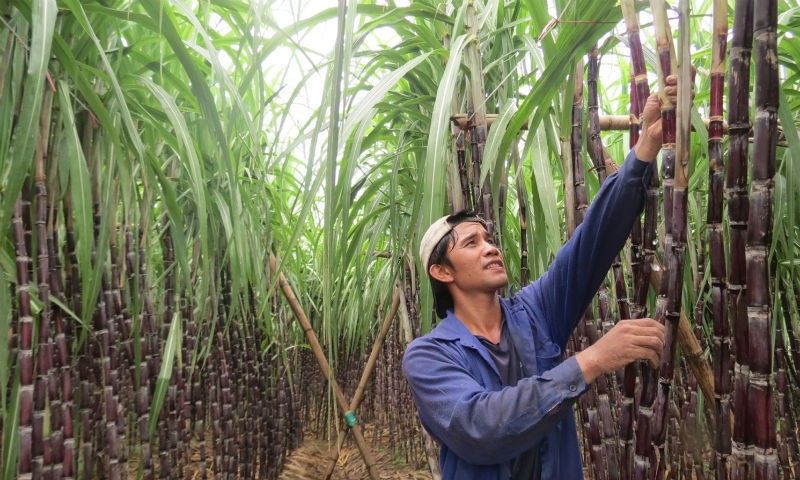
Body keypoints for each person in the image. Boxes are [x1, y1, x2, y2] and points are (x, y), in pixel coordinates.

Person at [402, 77, 682, 479]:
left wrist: (645, 148)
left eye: (490, 238)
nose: (490, 247)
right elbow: (480, 428)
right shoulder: (429, 356)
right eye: (471, 243)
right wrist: (592, 360)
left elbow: (591, 245)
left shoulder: (533, 313)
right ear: (442, 271)